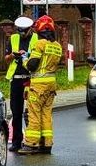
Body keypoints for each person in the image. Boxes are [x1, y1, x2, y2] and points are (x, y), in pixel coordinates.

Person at [18, 15, 63, 155]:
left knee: (34, 114)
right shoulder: (57, 46)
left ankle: (31, 144)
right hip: (51, 85)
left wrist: (25, 59)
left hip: (38, 85)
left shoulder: (40, 44)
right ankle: (46, 143)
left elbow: (32, 66)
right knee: (46, 114)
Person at [4, 16, 36, 151]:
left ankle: (31, 140)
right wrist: (13, 55)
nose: (22, 33)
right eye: (20, 31)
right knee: (16, 112)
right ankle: (17, 142)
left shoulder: (36, 39)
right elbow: (6, 59)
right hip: (16, 79)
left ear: (30, 29)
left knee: (30, 112)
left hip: (30, 79)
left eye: (24, 31)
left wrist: (27, 55)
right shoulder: (13, 39)